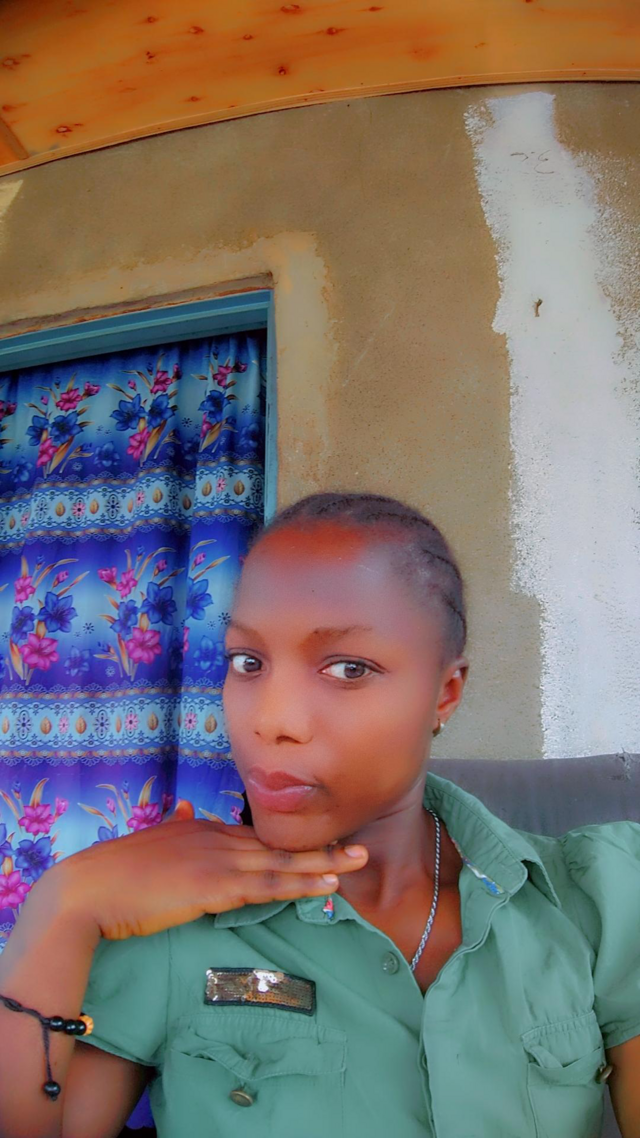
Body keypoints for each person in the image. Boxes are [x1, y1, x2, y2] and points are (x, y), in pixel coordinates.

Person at [0, 491, 639, 1138]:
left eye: (348, 668)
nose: (272, 720)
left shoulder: (596, 900)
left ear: (444, 693)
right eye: (247, 662)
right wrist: (61, 910)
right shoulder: (172, 921)